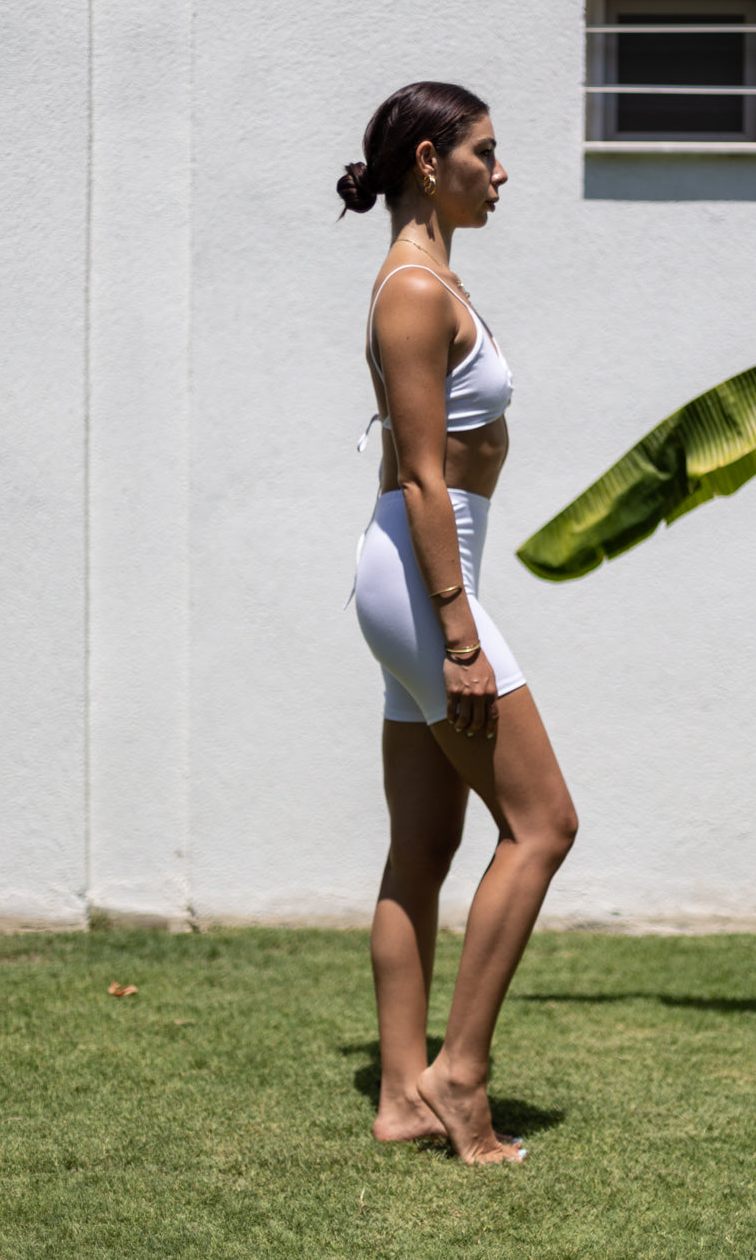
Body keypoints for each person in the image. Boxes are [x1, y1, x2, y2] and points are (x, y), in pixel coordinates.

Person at [337, 82, 578, 1165]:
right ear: (431, 161)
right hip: (430, 578)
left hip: (422, 578)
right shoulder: (414, 292)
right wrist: (462, 633)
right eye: (488, 151)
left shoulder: (429, 278)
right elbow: (426, 480)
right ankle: (459, 1079)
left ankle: (399, 1096)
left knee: (424, 846)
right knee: (544, 824)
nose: (503, 170)